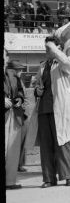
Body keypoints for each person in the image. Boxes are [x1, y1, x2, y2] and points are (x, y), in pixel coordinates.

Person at [34, 36, 70, 187]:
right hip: (44, 109)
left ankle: (68, 176)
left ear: (58, 49)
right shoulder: (42, 66)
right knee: (46, 146)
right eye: (46, 48)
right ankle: (49, 178)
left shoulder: (63, 64)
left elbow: (67, 63)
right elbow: (37, 85)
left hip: (61, 109)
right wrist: (38, 90)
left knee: (63, 143)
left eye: (49, 48)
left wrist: (55, 50)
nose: (46, 50)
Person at [5, 55, 27, 190]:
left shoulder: (16, 79)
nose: (20, 72)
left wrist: (19, 99)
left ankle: (10, 181)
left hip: (15, 115)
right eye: (18, 70)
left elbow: (20, 92)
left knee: (13, 150)